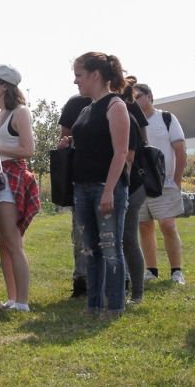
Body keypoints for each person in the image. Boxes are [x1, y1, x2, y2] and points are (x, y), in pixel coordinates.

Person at [68, 51, 130, 317]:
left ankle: (114, 305)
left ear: (95, 75)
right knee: (89, 249)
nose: (76, 82)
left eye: (79, 76)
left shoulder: (115, 106)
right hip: (81, 186)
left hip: (106, 187)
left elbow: (121, 153)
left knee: (110, 247)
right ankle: (93, 304)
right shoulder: (86, 108)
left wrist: (108, 191)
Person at [0, 64, 39, 312]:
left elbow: (28, 150)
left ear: (4, 85)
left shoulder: (20, 112)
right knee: (3, 242)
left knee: (13, 241)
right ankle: (12, 297)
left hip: (13, 177)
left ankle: (23, 301)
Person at [133, 82, 188, 285]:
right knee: (144, 226)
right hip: (139, 184)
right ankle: (151, 270)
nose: (136, 101)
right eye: (133, 97)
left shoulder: (166, 118)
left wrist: (176, 180)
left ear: (149, 97)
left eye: (138, 96)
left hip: (164, 183)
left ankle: (176, 271)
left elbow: (180, 150)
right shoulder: (131, 121)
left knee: (168, 225)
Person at [119, 77, 149, 306]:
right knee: (120, 239)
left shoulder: (126, 113)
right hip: (125, 183)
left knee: (128, 237)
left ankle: (136, 293)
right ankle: (121, 285)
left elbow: (131, 154)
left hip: (132, 184)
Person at [58, 94, 91, 298]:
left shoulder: (118, 101)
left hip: (112, 179)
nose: (75, 81)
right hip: (80, 177)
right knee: (81, 232)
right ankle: (82, 282)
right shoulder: (75, 103)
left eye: (80, 75)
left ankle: (117, 281)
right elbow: (65, 137)